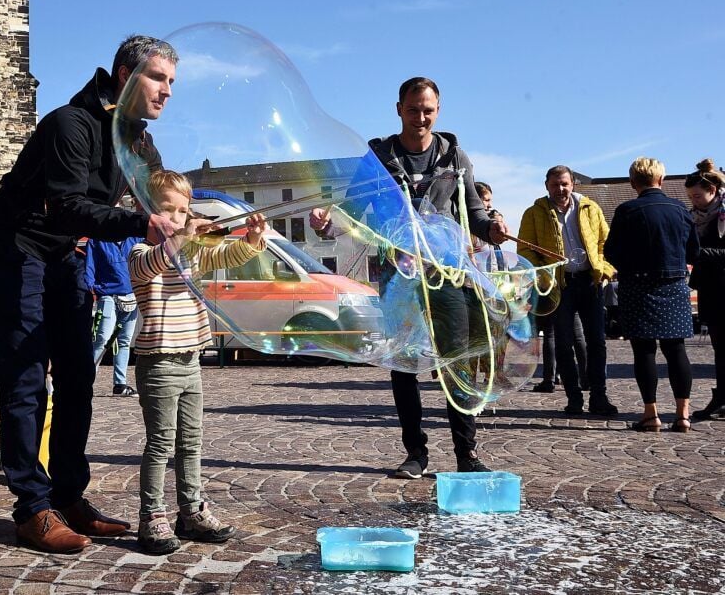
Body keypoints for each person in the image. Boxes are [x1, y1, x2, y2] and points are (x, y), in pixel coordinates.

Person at [0, 35, 180, 553]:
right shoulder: (72, 124)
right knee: (25, 380)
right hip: (14, 244)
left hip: (64, 252)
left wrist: (219, 227)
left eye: (172, 83)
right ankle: (31, 508)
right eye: (159, 78)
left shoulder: (138, 142)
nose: (167, 92)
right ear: (125, 74)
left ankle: (68, 497)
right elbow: (66, 205)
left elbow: (168, 201)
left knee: (78, 375)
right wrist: (141, 222)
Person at [311, 77, 508, 478]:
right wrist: (324, 227)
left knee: (459, 360)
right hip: (397, 272)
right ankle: (415, 453)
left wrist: (492, 229)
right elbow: (351, 212)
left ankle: (466, 454)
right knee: (404, 364)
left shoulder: (456, 158)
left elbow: (475, 211)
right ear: (398, 109)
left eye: (428, 110)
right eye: (414, 109)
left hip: (447, 272)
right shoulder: (378, 159)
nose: (421, 117)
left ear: (438, 111)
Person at [127, 170, 266, 554]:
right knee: (160, 444)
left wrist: (252, 238)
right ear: (148, 214)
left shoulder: (193, 252)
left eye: (183, 211)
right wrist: (183, 236)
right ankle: (151, 516)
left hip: (191, 359)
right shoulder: (141, 252)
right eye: (167, 210)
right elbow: (149, 266)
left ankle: (190, 511)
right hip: (158, 363)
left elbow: (228, 253)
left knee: (191, 441)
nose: (176, 217)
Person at [605, 157, 699, 432]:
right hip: (674, 284)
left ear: (633, 182)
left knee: (644, 351)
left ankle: (651, 414)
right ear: (662, 180)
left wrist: (631, 267)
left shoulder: (627, 210)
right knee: (676, 349)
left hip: (638, 285)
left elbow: (611, 252)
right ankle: (683, 415)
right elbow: (693, 251)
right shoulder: (680, 209)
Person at [517, 166, 619, 416]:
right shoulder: (534, 213)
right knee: (563, 343)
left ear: (573, 184)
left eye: (564, 184)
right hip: (559, 286)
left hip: (590, 282)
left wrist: (604, 270)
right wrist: (544, 272)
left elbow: (608, 242)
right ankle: (574, 398)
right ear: (546, 186)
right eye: (555, 185)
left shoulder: (590, 208)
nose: (560, 189)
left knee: (597, 341)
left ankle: (598, 396)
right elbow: (525, 249)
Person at [685, 159, 725, 421]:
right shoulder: (696, 217)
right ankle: (721, 397)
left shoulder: (722, 216)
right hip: (711, 289)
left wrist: (698, 253)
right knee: (719, 348)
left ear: (713, 190)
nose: (694, 201)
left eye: (698, 196)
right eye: (691, 197)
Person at [85, 233, 140, 397]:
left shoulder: (134, 239)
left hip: (132, 296)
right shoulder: (96, 241)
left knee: (124, 341)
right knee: (102, 338)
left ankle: (120, 384)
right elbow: (89, 266)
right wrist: (91, 287)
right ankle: (86, 381)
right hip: (107, 296)